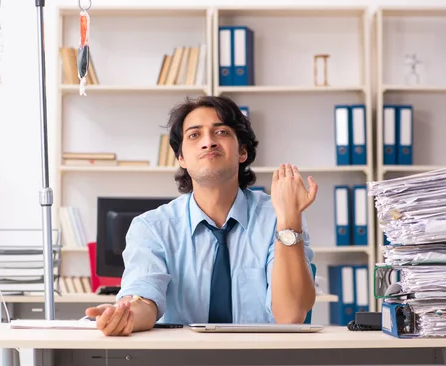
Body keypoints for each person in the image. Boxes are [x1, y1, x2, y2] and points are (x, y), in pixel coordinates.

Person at [85, 95, 318, 336]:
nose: (208, 142)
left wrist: (289, 221)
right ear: (182, 158)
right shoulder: (151, 227)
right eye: (194, 135)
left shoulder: (278, 217)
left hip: (264, 362)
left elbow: (290, 316)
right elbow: (145, 300)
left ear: (243, 152)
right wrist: (126, 315)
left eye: (222, 132)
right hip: (180, 365)